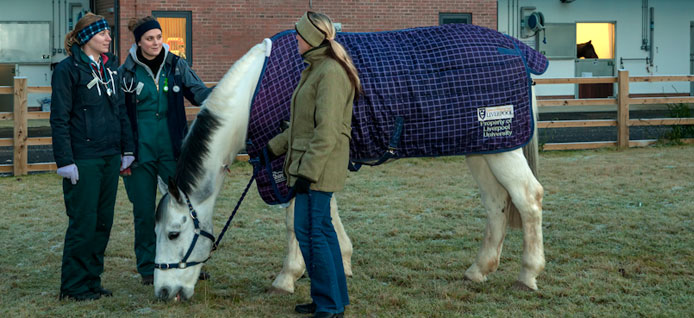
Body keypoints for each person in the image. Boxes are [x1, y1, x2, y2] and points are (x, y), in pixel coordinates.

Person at [265, 11, 361, 318]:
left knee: (311, 232)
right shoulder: (315, 69)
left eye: (299, 35)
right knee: (320, 231)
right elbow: (302, 125)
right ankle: (333, 299)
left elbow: (327, 130)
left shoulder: (330, 73)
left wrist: (306, 173)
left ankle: (329, 306)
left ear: (311, 39)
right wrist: (271, 147)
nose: (295, 39)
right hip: (311, 165)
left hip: (317, 169)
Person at [119, 16, 212, 285]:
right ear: (138, 41)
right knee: (144, 211)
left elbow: (198, 93)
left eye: (159, 37)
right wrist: (123, 151)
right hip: (140, 154)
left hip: (172, 151)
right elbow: (120, 114)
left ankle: (189, 260)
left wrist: (221, 94)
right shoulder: (126, 72)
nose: (156, 43)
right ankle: (148, 267)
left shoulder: (176, 65)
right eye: (149, 38)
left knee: (184, 207)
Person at [51, 13, 135, 301]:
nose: (109, 39)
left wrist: (127, 150)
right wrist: (65, 160)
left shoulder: (111, 70)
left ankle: (91, 280)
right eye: (103, 34)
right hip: (83, 158)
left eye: (109, 34)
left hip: (110, 157)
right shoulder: (68, 70)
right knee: (83, 223)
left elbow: (121, 112)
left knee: (102, 223)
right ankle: (74, 286)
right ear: (87, 37)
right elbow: (59, 118)